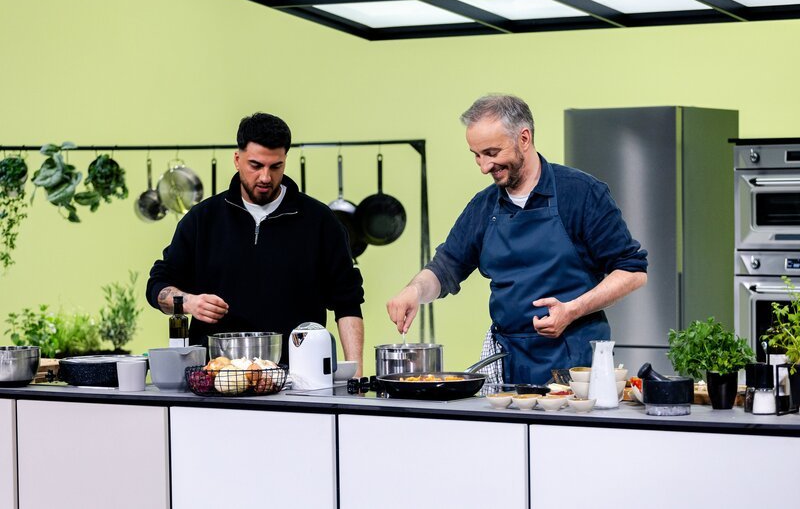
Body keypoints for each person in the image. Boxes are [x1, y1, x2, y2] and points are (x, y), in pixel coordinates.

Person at [386, 95, 648, 385]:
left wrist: (572, 309)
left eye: (492, 152)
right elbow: (446, 266)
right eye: (476, 154)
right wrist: (415, 291)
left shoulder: (582, 193)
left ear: (524, 138)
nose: (484, 166)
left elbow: (632, 271)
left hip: (575, 363)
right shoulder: (484, 207)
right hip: (506, 363)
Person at [146, 112, 364, 373]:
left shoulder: (320, 221)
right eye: (256, 165)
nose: (265, 177)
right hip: (216, 378)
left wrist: (357, 378)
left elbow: (347, 302)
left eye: (276, 167)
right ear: (237, 159)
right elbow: (157, 286)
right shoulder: (202, 219)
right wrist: (189, 302)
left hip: (299, 379)